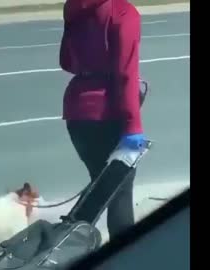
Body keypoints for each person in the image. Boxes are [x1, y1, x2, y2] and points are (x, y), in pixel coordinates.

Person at [59, 0, 146, 239]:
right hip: (108, 112)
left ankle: (63, 241)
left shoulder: (73, 7)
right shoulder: (123, 12)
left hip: (76, 111)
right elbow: (126, 74)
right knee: (119, 192)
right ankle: (127, 257)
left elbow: (66, 61)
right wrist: (133, 127)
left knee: (99, 187)